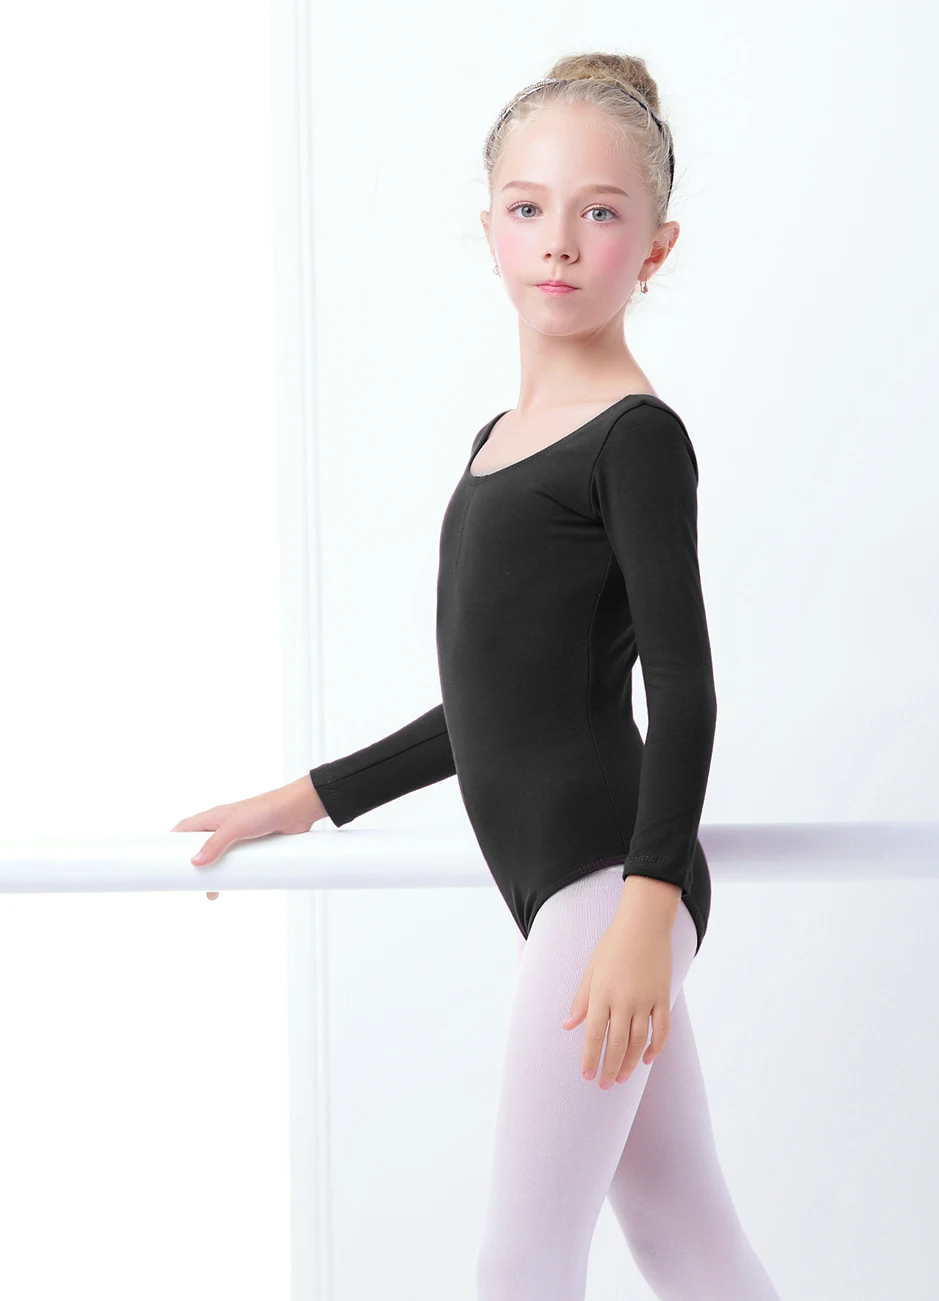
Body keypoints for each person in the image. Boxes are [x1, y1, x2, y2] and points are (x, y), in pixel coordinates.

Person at [172, 50, 781, 1301]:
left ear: (655, 248)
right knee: (679, 1229)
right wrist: (307, 796)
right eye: (527, 206)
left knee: (520, 1263)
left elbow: (685, 685)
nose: (557, 239)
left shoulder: (635, 439)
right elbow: (499, 702)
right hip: (580, 884)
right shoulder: (497, 441)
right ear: (490, 228)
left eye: (598, 212)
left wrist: (644, 909)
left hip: (607, 880)